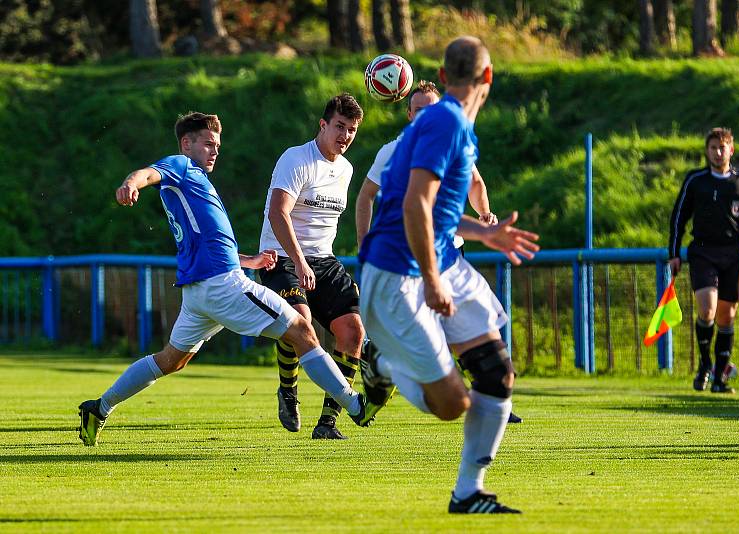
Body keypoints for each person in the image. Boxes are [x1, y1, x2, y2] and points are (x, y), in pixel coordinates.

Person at [77, 112, 369, 446]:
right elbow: (147, 173)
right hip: (222, 286)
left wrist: (249, 260)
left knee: (170, 360)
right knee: (302, 330)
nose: (215, 151)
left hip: (199, 292)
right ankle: (354, 404)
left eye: (217, 145)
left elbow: (207, 241)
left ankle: (99, 407)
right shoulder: (183, 166)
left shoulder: (196, 183)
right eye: (207, 144)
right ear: (187, 144)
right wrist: (131, 183)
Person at [357, 36, 539, 514]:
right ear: (489, 77)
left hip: (433, 259)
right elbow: (416, 203)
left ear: (441, 76)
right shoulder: (445, 121)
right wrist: (434, 280)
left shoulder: (445, 123)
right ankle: (383, 366)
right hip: (400, 273)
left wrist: (484, 233)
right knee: (451, 405)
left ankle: (468, 493)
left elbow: (430, 208)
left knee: (496, 373)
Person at [354, 80, 523, 425]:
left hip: (450, 256)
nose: (427, 115)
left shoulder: (453, 139)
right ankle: (386, 366)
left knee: (485, 351)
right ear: (408, 113)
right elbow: (373, 198)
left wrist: (484, 216)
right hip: (404, 265)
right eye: (419, 110)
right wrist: (363, 244)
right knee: (446, 389)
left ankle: (489, 390)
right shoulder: (393, 151)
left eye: (433, 108)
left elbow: (474, 182)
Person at [258, 94, 387, 440]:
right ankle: (288, 390)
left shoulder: (345, 169)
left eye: (352, 130)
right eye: (340, 127)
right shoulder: (296, 159)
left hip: (324, 260)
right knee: (299, 323)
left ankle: (328, 423)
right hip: (280, 258)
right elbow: (277, 213)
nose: (345, 136)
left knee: (354, 332)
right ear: (323, 125)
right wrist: (299, 262)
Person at [668, 127, 739, 394]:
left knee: (727, 316)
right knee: (707, 309)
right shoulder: (696, 181)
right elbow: (679, 216)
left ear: (731, 150)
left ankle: (720, 379)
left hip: (732, 253)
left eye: (722, 147)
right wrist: (674, 253)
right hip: (702, 252)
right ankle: (705, 365)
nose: (717, 152)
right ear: (707, 151)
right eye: (713, 147)